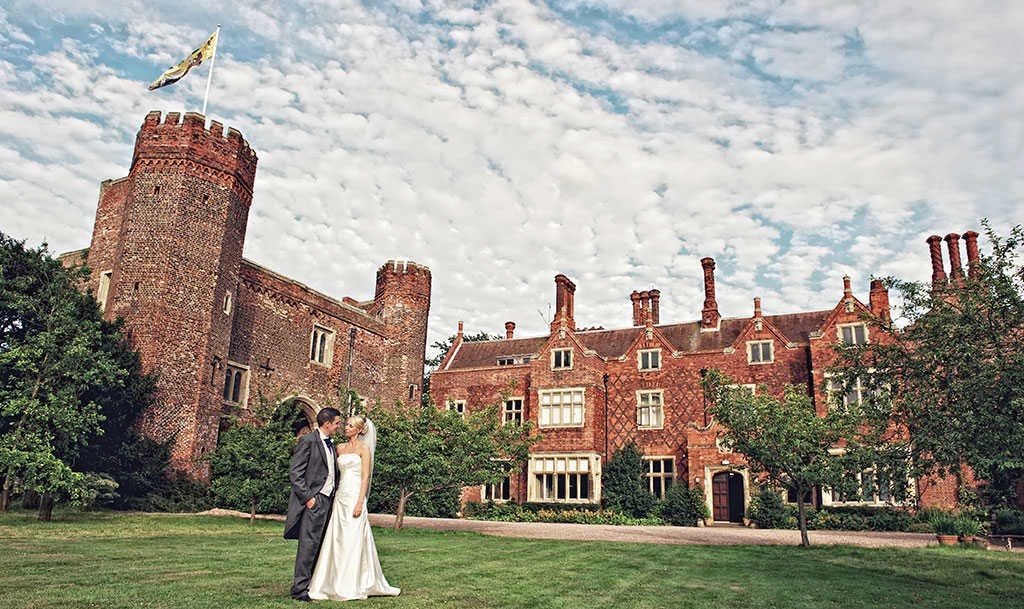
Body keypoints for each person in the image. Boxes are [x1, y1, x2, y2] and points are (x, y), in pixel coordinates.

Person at [308, 414, 401, 601]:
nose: (346, 428)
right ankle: (329, 582)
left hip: (355, 498)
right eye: (346, 425)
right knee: (337, 538)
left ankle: (353, 583)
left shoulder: (364, 449)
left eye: (350, 425)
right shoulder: (339, 448)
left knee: (353, 538)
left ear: (359, 430)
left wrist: (360, 502)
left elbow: (365, 477)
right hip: (340, 497)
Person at [285, 407, 343, 602]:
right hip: (314, 500)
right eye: (337, 423)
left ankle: (313, 584)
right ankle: (299, 590)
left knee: (319, 544)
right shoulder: (308, 441)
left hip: (328, 501)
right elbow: (296, 473)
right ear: (327, 424)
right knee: (308, 544)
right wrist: (308, 498)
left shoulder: (331, 444)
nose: (339, 426)